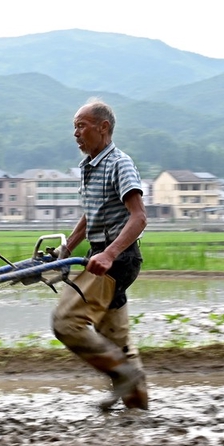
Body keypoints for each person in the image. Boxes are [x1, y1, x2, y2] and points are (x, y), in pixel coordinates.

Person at [53, 98, 149, 410]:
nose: (76, 133)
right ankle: (138, 413)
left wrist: (108, 254)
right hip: (102, 255)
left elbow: (138, 217)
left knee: (66, 322)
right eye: (74, 127)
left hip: (116, 260)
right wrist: (67, 247)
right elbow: (90, 215)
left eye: (81, 125)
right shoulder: (90, 167)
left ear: (103, 127)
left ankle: (123, 376)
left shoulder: (119, 163)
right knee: (117, 343)